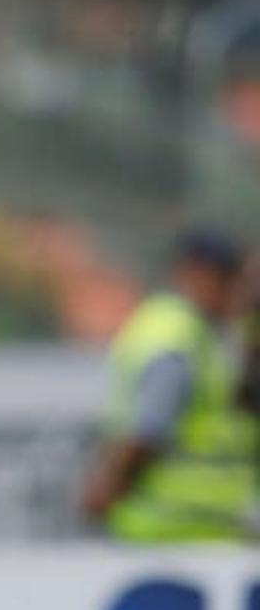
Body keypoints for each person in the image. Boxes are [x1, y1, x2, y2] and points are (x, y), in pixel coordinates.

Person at [81, 229, 258, 541]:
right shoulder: (176, 336)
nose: (237, 291)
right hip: (165, 533)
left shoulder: (212, 332)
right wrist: (104, 492)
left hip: (203, 532)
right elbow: (147, 432)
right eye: (228, 278)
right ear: (194, 273)